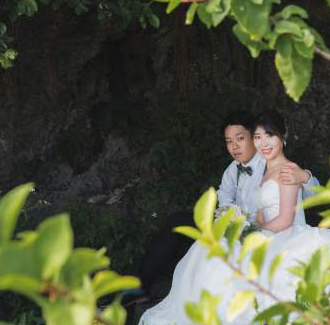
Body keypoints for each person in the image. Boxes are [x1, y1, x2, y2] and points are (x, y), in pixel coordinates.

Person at [137, 110, 330, 325]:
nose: (262, 143)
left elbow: (287, 217)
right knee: (212, 249)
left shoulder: (286, 170)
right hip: (267, 231)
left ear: (284, 136)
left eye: (268, 136)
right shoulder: (260, 172)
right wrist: (243, 227)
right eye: (258, 137)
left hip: (287, 233)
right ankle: (196, 307)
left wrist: (303, 177)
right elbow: (256, 215)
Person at [120, 111, 319, 306]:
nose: (235, 146)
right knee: (178, 221)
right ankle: (136, 286)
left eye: (241, 138)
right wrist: (233, 223)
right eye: (229, 141)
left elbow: (312, 196)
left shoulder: (273, 165)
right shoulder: (233, 168)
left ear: (252, 137)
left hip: (267, 231)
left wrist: (306, 178)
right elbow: (224, 201)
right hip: (242, 227)